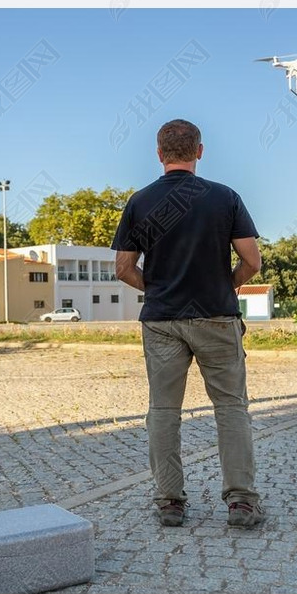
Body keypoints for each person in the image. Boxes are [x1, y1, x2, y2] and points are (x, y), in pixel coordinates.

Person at [112, 118, 265, 528]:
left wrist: (158, 288)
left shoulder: (139, 202)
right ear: (199, 151)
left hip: (162, 319)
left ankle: (169, 502)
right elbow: (252, 261)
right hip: (217, 316)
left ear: (159, 154)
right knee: (231, 408)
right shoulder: (225, 197)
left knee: (163, 410)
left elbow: (124, 269)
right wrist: (225, 287)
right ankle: (242, 502)